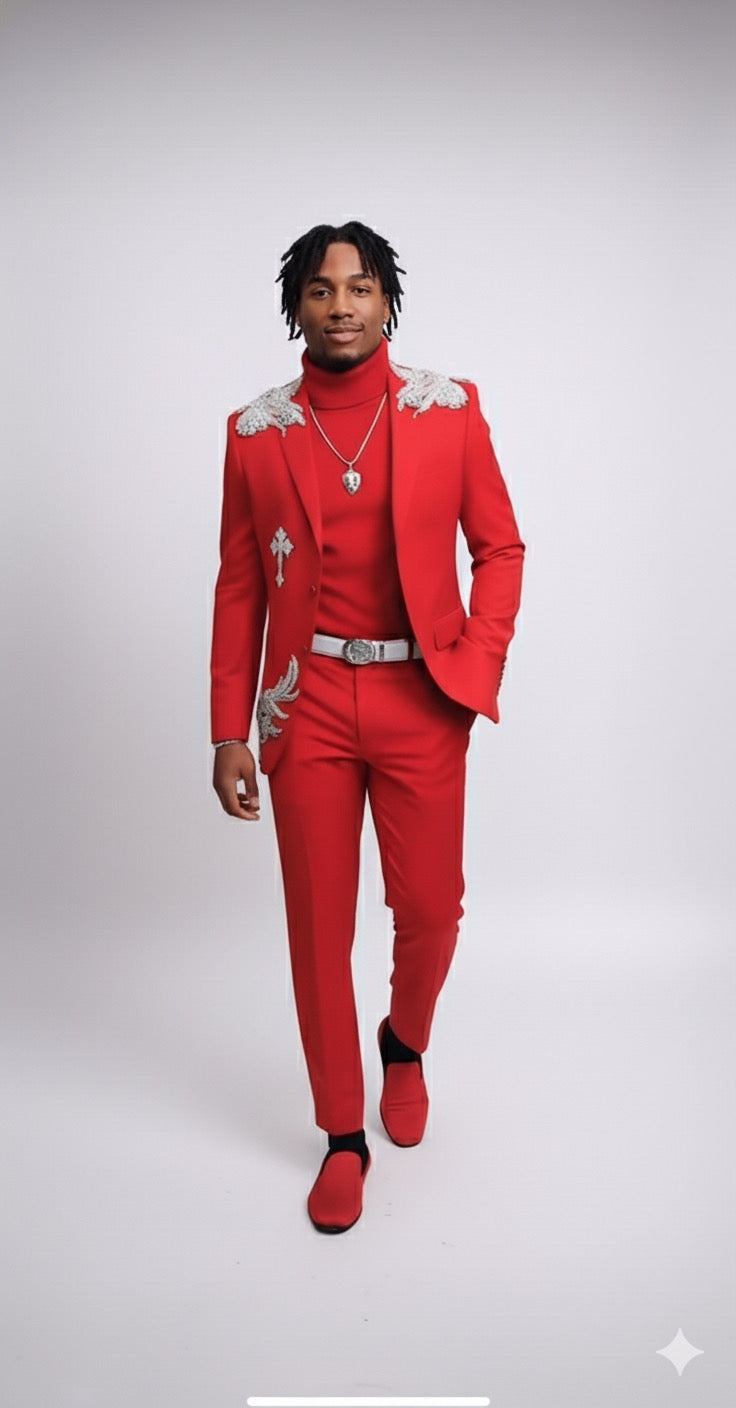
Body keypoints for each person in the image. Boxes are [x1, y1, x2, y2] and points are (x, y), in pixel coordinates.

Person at [210, 221, 524, 1233]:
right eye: (318, 289)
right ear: (294, 307)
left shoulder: (449, 410)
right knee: (316, 931)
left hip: (418, 697)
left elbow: (501, 547)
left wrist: (472, 662)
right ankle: (341, 1134)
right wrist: (227, 726)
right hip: (305, 708)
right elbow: (239, 585)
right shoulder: (254, 432)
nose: (340, 305)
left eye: (359, 287)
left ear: (388, 300)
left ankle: (404, 1042)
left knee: (431, 907)